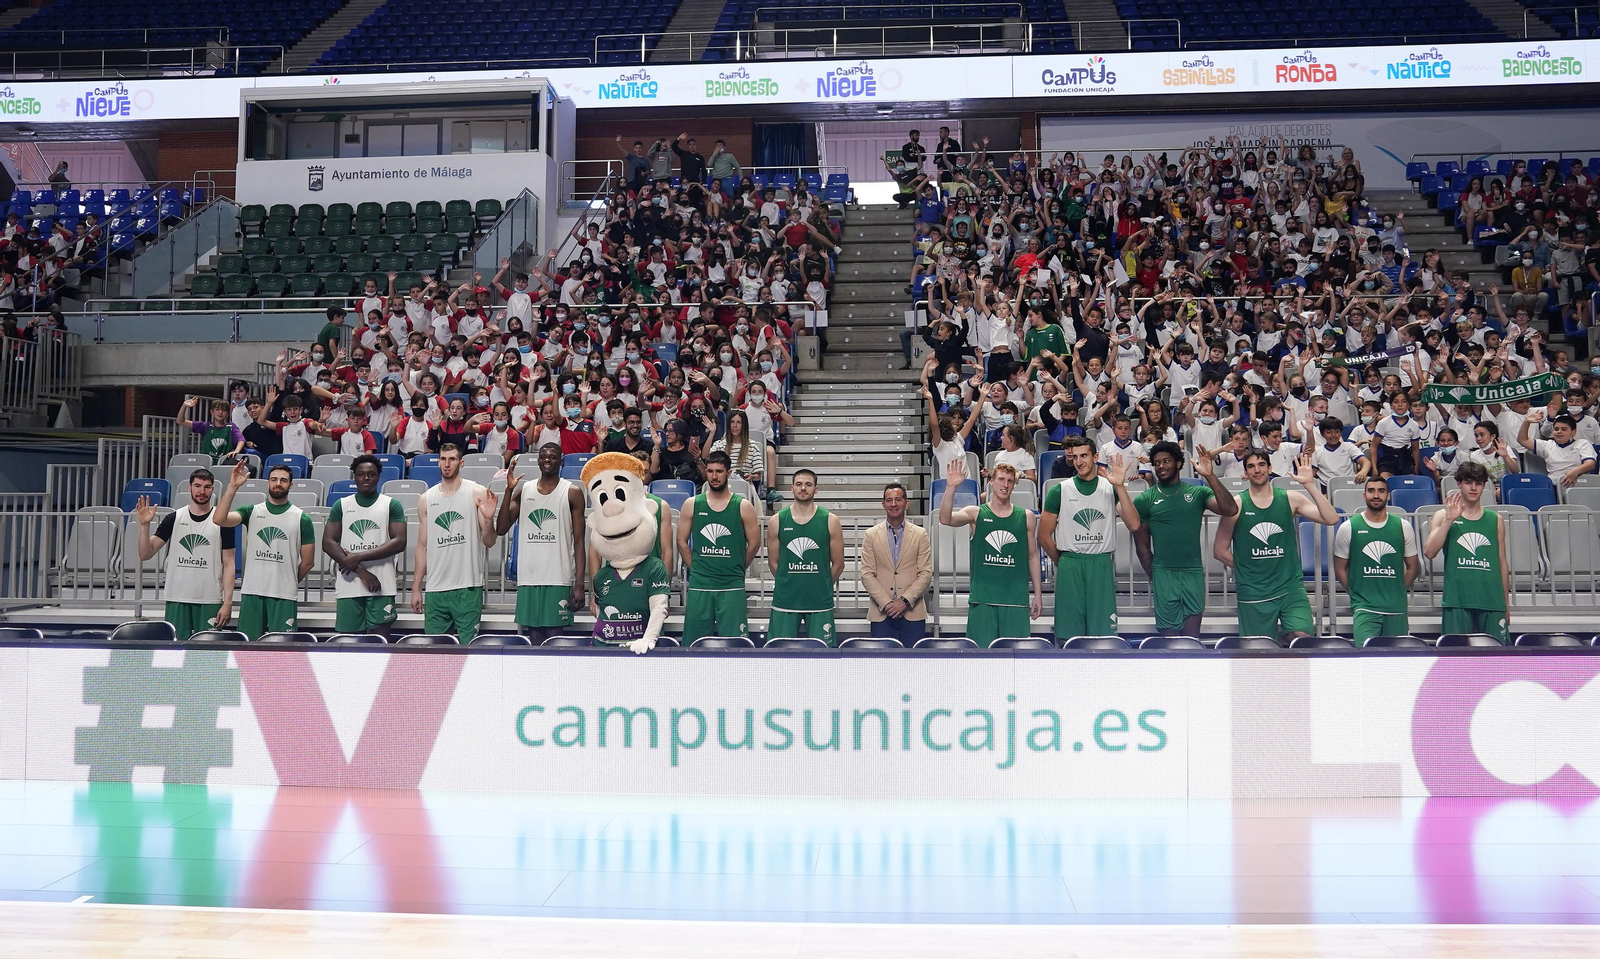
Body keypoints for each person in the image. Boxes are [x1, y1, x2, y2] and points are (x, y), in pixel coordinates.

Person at [1214, 448, 1338, 642]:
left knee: (1302, 637)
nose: (1257, 470)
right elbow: (1219, 551)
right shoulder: (1236, 504)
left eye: (1261, 464)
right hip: (1254, 590)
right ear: (1245, 473)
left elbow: (1331, 519)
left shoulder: (1290, 498)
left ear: (1270, 468)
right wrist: (1249, 568)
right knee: (1258, 648)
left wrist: (1309, 485)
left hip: (1289, 586)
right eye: (1251, 466)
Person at [1133, 441, 1239, 636]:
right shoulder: (1144, 499)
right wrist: (1156, 575)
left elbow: (1230, 509)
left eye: (1166, 461)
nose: (1161, 466)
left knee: (1192, 639)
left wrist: (1210, 476)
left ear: (1179, 464)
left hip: (1193, 572)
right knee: (1169, 641)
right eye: (1156, 463)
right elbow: (1142, 547)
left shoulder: (1198, 492)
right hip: (1163, 573)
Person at [1039, 438, 1140, 641]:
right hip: (1070, 563)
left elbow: (1134, 524)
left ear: (1095, 457)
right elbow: (1043, 535)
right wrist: (1065, 562)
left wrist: (1120, 487)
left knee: (1103, 637)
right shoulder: (1059, 490)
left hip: (1101, 563)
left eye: (1083, 456)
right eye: (1074, 457)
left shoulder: (1110, 488)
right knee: (1068, 636)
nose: (1079, 461)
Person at [940, 459, 1042, 647]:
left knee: (1016, 660)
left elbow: (1032, 556)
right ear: (992, 482)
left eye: (1010, 481)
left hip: (1015, 600)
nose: (1005, 484)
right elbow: (945, 519)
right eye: (1001, 479)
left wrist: (1037, 593)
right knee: (981, 659)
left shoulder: (1026, 516)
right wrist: (951, 488)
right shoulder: (976, 513)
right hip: (983, 599)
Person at [211, 462, 315, 640]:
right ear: (268, 483)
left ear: (291, 485)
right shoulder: (251, 511)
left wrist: (289, 579)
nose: (278, 483)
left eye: (283, 480)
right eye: (273, 479)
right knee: (248, 649)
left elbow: (308, 561)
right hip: (253, 592)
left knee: (284, 651)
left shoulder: (302, 518)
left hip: (284, 595)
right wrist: (232, 487)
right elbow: (219, 519)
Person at [496, 443, 587, 642]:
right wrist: (508, 491)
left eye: (553, 457)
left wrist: (580, 585)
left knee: (555, 639)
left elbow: (579, 542)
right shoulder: (525, 488)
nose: (548, 460)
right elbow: (501, 529)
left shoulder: (572, 492)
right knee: (534, 638)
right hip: (529, 577)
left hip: (558, 577)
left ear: (561, 461)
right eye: (544, 456)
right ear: (538, 461)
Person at [132, 469, 236, 639]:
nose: (202, 491)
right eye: (197, 486)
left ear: (213, 489)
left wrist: (228, 602)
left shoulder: (223, 520)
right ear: (189, 488)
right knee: (176, 652)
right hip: (177, 598)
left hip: (209, 599)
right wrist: (144, 526)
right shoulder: (174, 518)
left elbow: (229, 563)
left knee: (208, 655)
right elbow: (145, 554)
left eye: (207, 487)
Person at [411, 443, 499, 643]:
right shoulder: (426, 499)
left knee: (469, 651)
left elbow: (490, 541)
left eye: (451, 459)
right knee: (434, 653)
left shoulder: (477, 492)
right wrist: (416, 588)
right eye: (442, 459)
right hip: (435, 588)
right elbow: (422, 546)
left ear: (461, 462)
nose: (447, 464)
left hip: (467, 586)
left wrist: (488, 520)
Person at [321, 455, 407, 639]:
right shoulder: (341, 505)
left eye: (371, 474)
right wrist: (361, 571)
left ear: (378, 477)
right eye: (361, 474)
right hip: (349, 586)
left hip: (382, 586)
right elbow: (328, 542)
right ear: (354, 477)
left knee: (380, 644)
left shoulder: (391, 504)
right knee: (349, 646)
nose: (366, 478)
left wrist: (358, 556)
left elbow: (400, 541)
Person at [1424, 461, 1510, 643]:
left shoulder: (1496, 519)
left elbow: (1502, 564)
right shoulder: (1442, 515)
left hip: (1492, 600)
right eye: (1469, 482)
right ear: (1459, 484)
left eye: (1478, 483)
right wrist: (1448, 520)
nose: (1473, 488)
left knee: (1498, 661)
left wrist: (1506, 606)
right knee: (1456, 660)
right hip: (1457, 600)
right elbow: (1429, 552)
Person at [677, 451, 759, 642]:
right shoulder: (692, 504)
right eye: (711, 471)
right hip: (700, 584)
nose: (714, 476)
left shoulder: (743, 506)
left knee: (736, 645)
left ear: (729, 473)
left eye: (719, 471)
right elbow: (681, 541)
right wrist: (695, 568)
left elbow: (754, 544)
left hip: (731, 585)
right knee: (693, 645)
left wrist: (738, 568)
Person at [1332, 476, 1420, 645]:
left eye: (1381, 491)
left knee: (1396, 663)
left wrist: (1398, 590)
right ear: (1364, 495)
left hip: (1396, 608)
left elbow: (1413, 567)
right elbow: (1339, 568)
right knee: (1366, 658)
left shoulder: (1403, 526)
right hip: (1365, 608)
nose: (1376, 495)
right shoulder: (1349, 527)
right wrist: (1356, 594)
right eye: (1371, 491)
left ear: (1388, 496)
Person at [766, 469, 844, 645]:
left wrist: (821, 583)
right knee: (779, 654)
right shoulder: (777, 520)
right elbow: (773, 563)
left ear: (816, 489)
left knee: (823, 657)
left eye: (808, 484)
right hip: (785, 599)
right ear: (791, 488)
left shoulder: (830, 520)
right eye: (799, 484)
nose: (803, 488)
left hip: (819, 600)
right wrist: (789, 582)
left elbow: (838, 564)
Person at [860, 482, 933, 644]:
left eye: (898, 499)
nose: (893, 504)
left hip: (912, 613)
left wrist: (905, 601)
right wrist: (887, 604)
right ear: (883, 504)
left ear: (906, 503)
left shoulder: (920, 534)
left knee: (913, 665)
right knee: (882, 665)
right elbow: (866, 574)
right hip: (881, 613)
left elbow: (926, 573)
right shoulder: (871, 535)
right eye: (889, 500)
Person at [179, 397, 245, 463]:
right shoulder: (205, 426)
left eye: (224, 410)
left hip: (223, 464)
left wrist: (236, 451)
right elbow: (180, 421)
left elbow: (241, 440)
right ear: (212, 412)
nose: (220, 412)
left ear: (228, 414)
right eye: (217, 409)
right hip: (205, 464)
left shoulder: (231, 427)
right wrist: (184, 406)